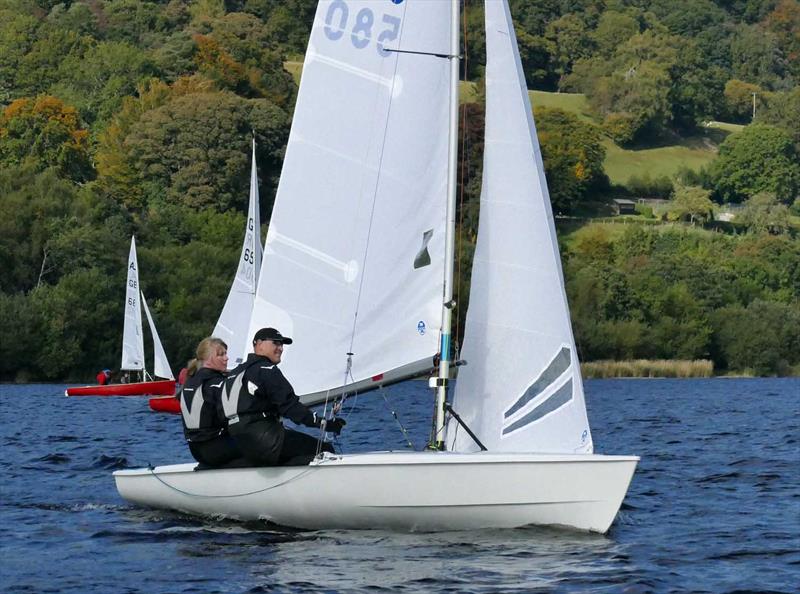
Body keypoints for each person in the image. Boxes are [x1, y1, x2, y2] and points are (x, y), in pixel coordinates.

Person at [223, 327, 345, 466]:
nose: (280, 348)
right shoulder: (267, 370)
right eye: (275, 343)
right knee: (324, 450)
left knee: (287, 452)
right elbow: (291, 408)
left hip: (239, 444)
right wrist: (325, 424)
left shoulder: (233, 374)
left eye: (281, 344)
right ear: (259, 344)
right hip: (265, 440)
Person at [180, 337, 243, 468]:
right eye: (221, 354)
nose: (226, 358)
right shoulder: (217, 384)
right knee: (261, 445)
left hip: (196, 450)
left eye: (226, 353)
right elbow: (230, 417)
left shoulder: (189, 383)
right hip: (216, 449)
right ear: (207, 359)